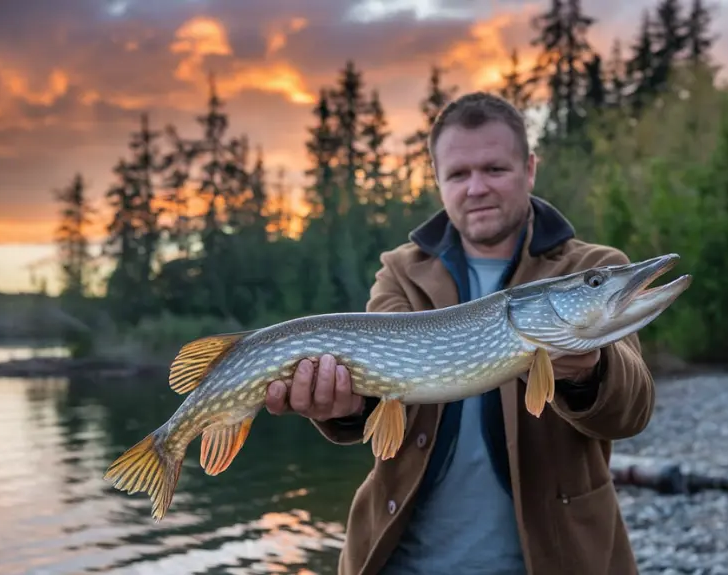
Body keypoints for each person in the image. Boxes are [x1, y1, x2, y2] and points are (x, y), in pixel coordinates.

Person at [264, 91, 654, 575]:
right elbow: (377, 403)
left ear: (529, 169)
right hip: (402, 562)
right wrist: (345, 407)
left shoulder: (592, 269)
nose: (477, 188)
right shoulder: (401, 274)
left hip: (555, 559)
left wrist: (590, 371)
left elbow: (630, 411)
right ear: (438, 182)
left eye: (495, 169)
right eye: (459, 174)